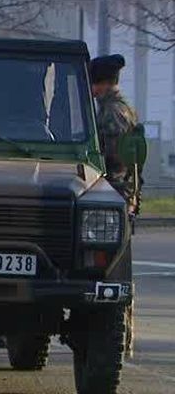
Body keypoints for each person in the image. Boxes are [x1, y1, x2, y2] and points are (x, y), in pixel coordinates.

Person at [90, 54, 140, 360]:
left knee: (114, 276)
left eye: (94, 83)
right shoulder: (120, 109)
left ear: (103, 84)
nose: (92, 90)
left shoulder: (112, 115)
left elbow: (109, 161)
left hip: (115, 196)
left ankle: (121, 339)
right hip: (120, 195)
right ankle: (122, 339)